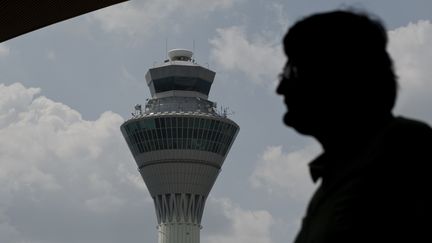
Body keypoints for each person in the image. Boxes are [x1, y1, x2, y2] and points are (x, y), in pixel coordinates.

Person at [276, 10, 432, 243]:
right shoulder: (331, 179)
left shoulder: (407, 151)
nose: (281, 88)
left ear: (339, 76)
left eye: (292, 72)